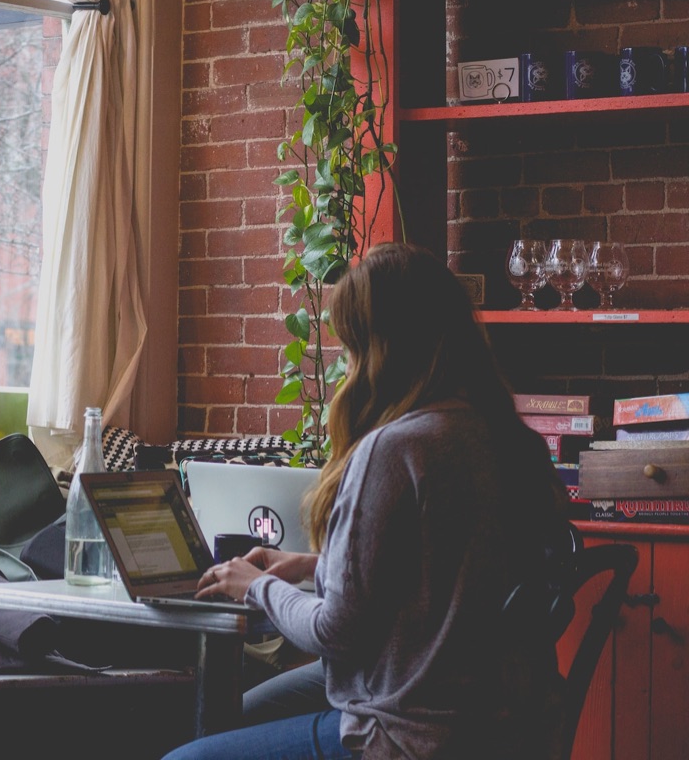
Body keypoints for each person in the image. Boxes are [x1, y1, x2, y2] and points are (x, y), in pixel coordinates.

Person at [164, 242, 572, 760]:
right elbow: (445, 573)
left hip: (413, 731)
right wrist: (309, 566)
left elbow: (335, 632)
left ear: (380, 349)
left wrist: (257, 587)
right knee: (230, 716)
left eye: (351, 344)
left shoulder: (397, 448)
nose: (346, 360)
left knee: (185, 756)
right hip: (505, 722)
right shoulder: (506, 437)